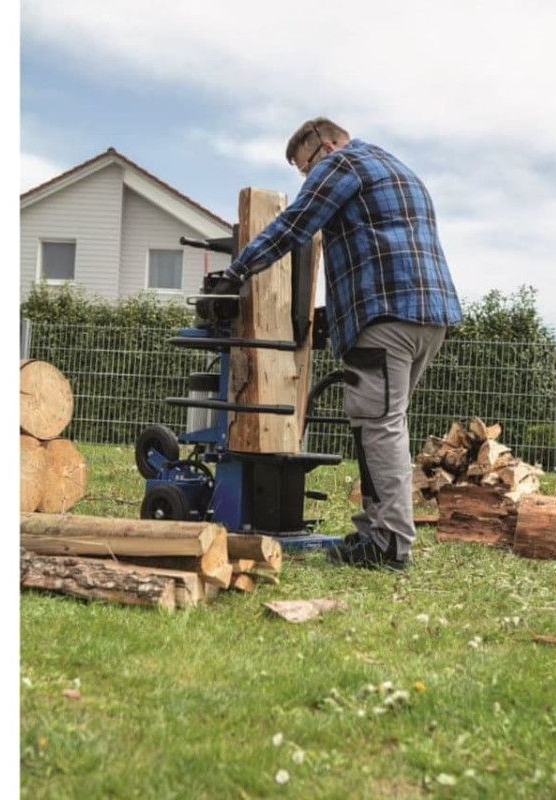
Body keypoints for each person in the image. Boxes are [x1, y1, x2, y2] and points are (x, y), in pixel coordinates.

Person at [212, 117, 463, 571]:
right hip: (429, 317)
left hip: (385, 316)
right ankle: (374, 531)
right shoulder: (397, 168)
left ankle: (389, 546)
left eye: (306, 168)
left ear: (325, 147)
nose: (309, 178)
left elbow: (295, 225)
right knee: (383, 423)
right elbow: (383, 246)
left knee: (379, 425)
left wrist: (237, 271)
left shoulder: (341, 164)